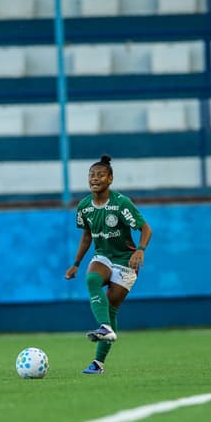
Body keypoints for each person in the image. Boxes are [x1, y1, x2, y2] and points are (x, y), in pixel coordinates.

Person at [64, 154, 152, 375]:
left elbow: (146, 228)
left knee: (111, 308)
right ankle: (105, 328)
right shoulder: (84, 207)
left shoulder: (121, 203)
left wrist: (140, 250)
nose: (95, 178)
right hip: (102, 255)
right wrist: (76, 263)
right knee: (92, 278)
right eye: (91, 175)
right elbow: (87, 236)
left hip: (125, 260)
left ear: (110, 179)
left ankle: (98, 363)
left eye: (100, 175)